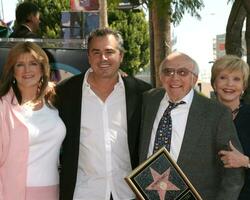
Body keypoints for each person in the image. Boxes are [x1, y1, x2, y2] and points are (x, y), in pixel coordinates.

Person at [56, 27, 151, 200]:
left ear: (120, 56)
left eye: (109, 51)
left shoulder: (142, 94)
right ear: (89, 56)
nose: (103, 58)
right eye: (96, 52)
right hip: (83, 193)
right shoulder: (65, 92)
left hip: (128, 193)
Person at [138, 52, 244, 200]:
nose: (175, 77)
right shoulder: (148, 100)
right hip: (147, 194)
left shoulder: (216, 113)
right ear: (161, 76)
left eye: (183, 72)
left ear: (194, 78)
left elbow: (233, 172)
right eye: (168, 71)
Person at [0, 42, 65, 200]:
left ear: (42, 69)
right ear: (12, 71)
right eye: (20, 65)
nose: (27, 70)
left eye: (33, 63)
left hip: (52, 191)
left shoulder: (54, 100)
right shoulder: (3, 107)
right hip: (15, 193)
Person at [211, 54, 250, 200]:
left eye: (236, 79)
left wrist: (246, 161)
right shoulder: (202, 116)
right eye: (223, 78)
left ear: (243, 86)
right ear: (214, 83)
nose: (229, 84)